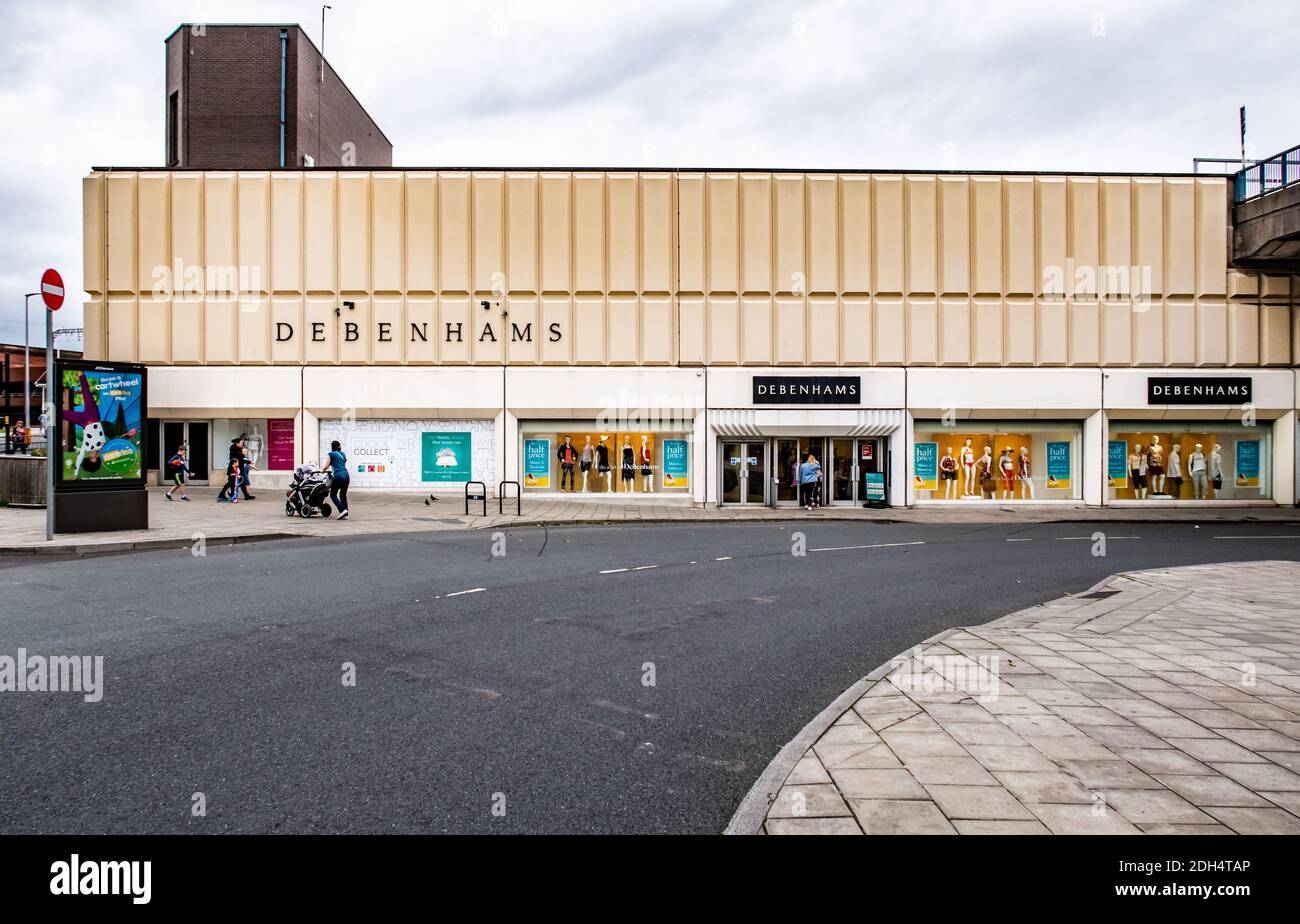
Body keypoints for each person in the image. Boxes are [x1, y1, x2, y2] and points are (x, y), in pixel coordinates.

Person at [326, 440, 350, 519]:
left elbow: (326, 465)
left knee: (333, 495)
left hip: (338, 475)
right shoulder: (343, 454)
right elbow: (342, 462)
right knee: (343, 495)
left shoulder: (331, 454)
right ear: (339, 447)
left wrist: (322, 471)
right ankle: (345, 514)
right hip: (346, 475)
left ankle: (342, 510)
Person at [229, 436, 255, 500]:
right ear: (237, 443)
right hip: (234, 469)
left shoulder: (238, 449)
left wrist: (248, 462)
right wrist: (248, 462)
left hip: (240, 469)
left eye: (242, 443)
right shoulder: (234, 450)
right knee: (232, 483)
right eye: (241, 443)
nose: (242, 444)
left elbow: (242, 457)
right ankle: (226, 494)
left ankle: (246, 496)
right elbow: (239, 459)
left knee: (242, 482)